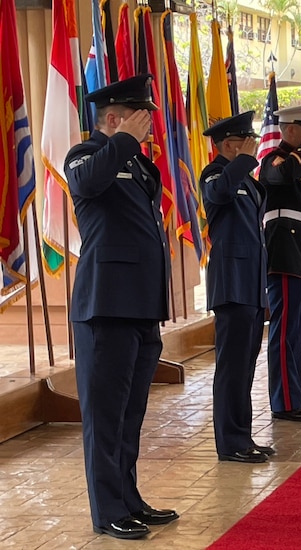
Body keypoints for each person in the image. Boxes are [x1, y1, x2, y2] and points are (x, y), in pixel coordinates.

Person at [64, 74, 178, 539]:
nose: (149, 126)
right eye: (139, 117)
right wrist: (123, 141)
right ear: (113, 118)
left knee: (131, 415)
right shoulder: (87, 156)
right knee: (105, 417)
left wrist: (130, 145)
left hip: (140, 305)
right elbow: (90, 185)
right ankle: (107, 509)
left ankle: (128, 498)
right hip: (105, 306)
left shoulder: (138, 164)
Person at [200, 111, 271, 464]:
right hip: (232, 284)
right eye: (246, 142)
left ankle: (243, 436)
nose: (254, 146)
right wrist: (242, 161)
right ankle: (229, 442)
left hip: (252, 283)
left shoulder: (246, 179)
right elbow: (221, 193)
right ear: (229, 145)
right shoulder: (215, 174)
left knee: (245, 365)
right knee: (231, 367)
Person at [259, 103, 301, 422]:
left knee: (297, 330)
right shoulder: (273, 159)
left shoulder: (297, 158)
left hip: (299, 248)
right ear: (288, 130)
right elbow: (284, 174)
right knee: (285, 331)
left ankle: (296, 395)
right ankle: (284, 401)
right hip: (283, 250)